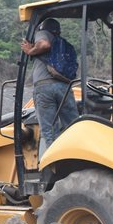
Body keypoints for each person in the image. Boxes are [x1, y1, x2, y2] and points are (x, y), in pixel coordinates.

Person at [19, 18, 78, 158]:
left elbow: (44, 44)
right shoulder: (64, 45)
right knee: (73, 125)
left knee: (49, 131)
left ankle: (54, 164)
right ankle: (75, 156)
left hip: (45, 87)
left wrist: (30, 51)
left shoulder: (43, 34)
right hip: (64, 86)